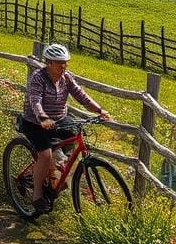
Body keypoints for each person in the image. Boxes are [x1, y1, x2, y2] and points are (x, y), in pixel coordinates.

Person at [22, 42, 110, 215]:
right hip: (35, 123)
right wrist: (43, 117)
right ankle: (37, 195)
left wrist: (99, 110)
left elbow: (81, 96)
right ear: (49, 63)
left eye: (65, 62)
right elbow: (35, 101)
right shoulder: (38, 78)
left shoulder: (66, 78)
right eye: (59, 63)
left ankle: (59, 173)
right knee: (45, 154)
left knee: (75, 135)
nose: (64, 66)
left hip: (60, 120)